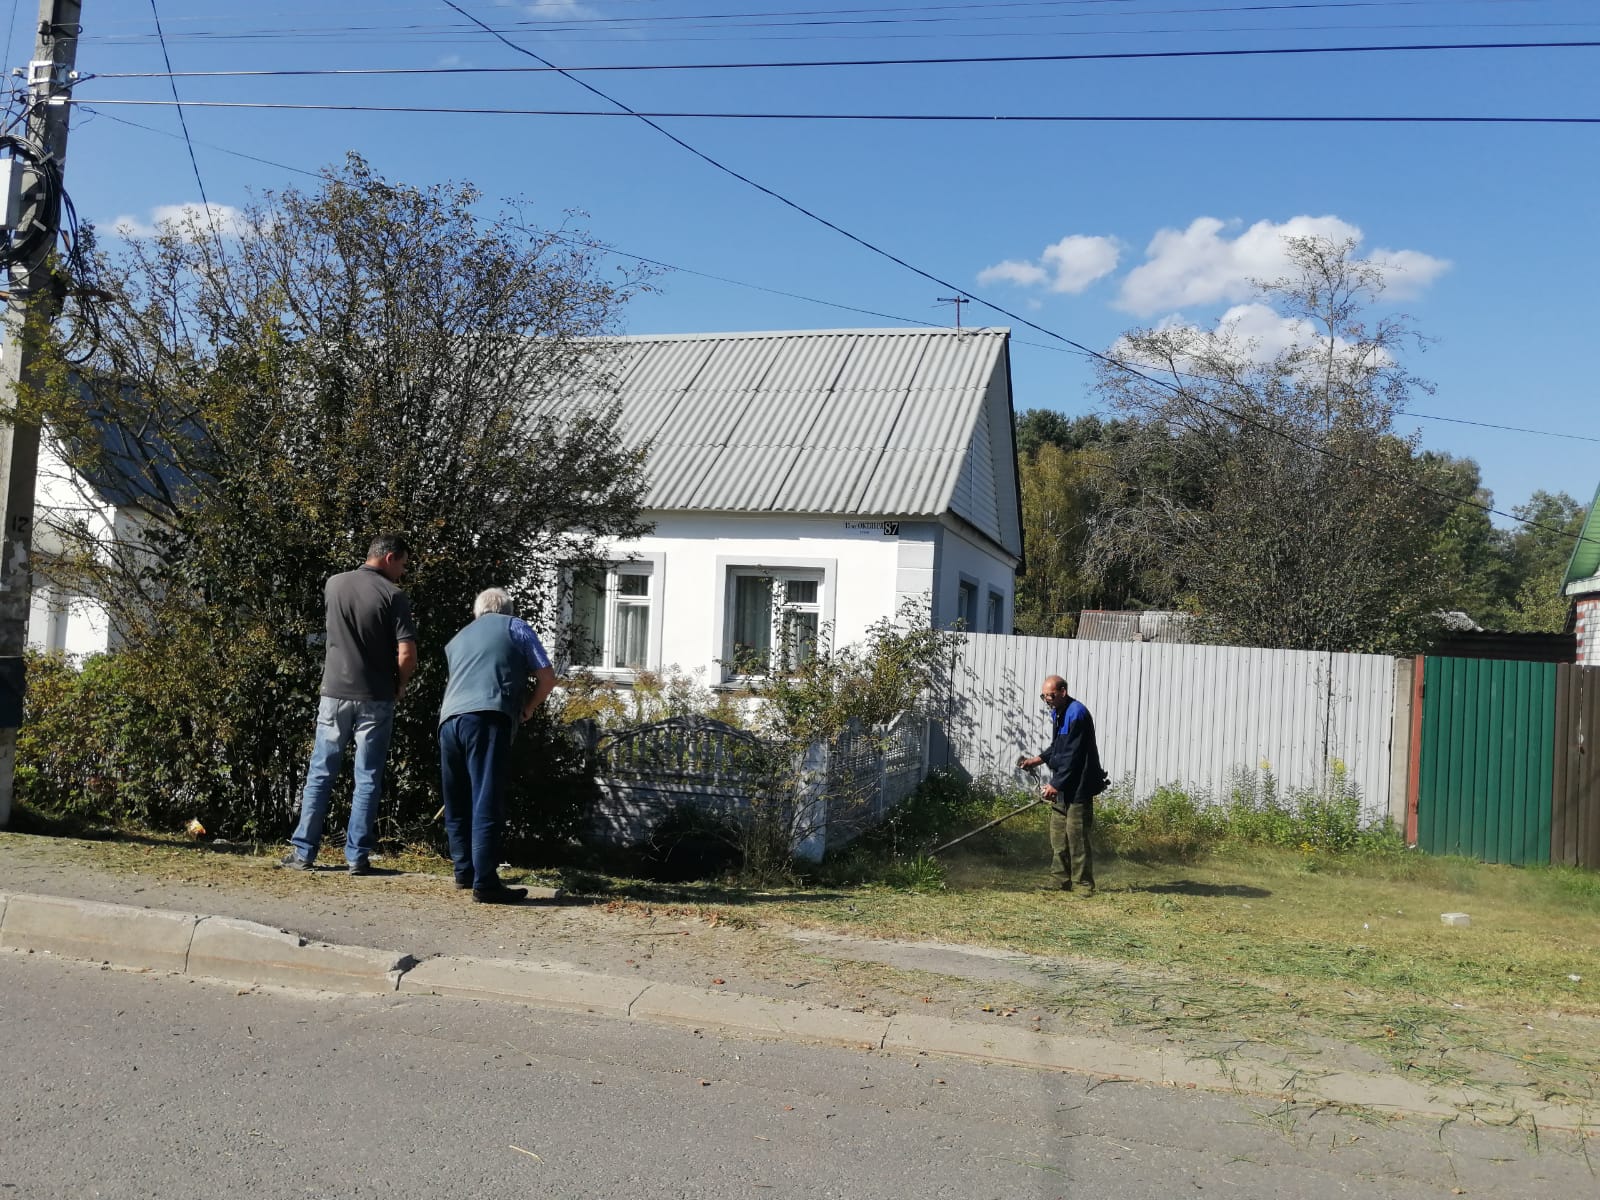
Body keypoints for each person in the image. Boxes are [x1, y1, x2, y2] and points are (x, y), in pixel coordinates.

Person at [281, 534, 418, 875]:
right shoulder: (394, 595)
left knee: (320, 772)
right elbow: (407, 653)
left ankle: (303, 853)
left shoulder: (334, 584)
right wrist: (399, 685)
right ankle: (356, 856)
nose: (403, 571)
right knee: (367, 776)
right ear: (388, 557)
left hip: (333, 691)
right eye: (402, 563)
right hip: (375, 696)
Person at [437, 587, 557, 904]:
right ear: (507, 609)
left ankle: (464, 871)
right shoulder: (514, 626)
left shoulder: (458, 638)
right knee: (485, 798)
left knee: (457, 797)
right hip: (487, 717)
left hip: (449, 721)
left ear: (478, 613)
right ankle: (486, 883)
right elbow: (547, 677)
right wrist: (529, 707)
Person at [1018, 675, 1109, 895]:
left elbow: (1072, 755)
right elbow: (1058, 747)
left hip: (1078, 785)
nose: (1047, 699)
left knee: (1076, 836)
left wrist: (1055, 784)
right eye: (1044, 695)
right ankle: (1060, 879)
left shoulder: (1076, 713)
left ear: (1063, 692)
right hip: (1063, 784)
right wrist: (1036, 760)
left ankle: (1082, 883)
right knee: (1058, 835)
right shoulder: (1060, 713)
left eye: (1050, 695)